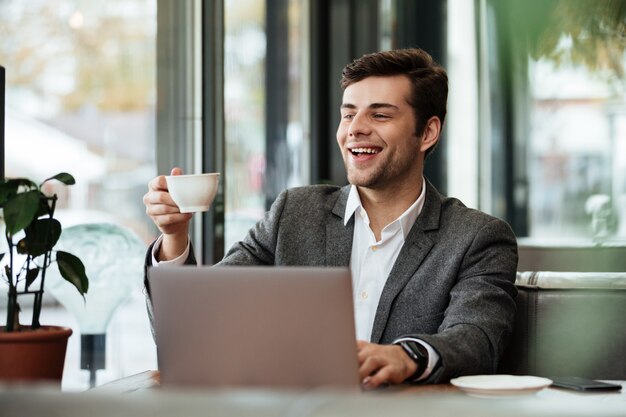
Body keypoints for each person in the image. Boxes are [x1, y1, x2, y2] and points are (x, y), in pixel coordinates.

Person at [143, 47, 518, 388]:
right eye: (348, 114)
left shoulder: (476, 237)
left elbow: (476, 339)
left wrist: (406, 356)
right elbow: (196, 327)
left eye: (381, 114)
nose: (355, 128)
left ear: (428, 132)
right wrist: (174, 237)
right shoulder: (294, 212)